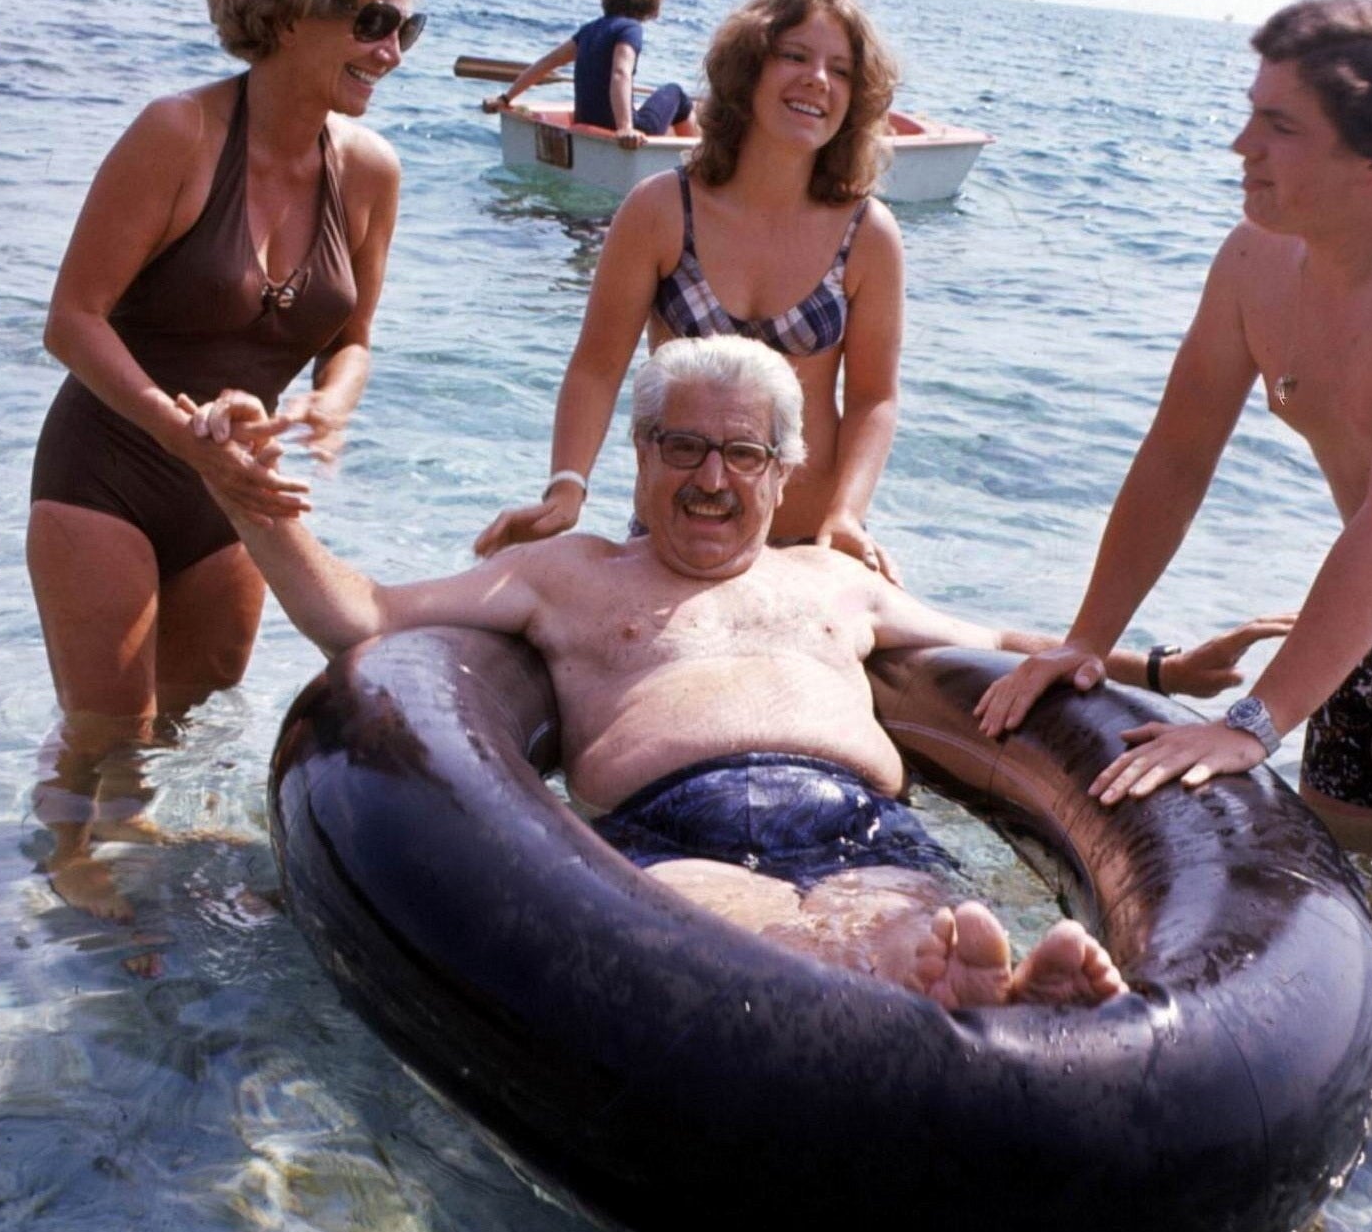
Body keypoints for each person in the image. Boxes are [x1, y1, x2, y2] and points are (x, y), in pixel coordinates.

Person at [190, 336, 1286, 1008]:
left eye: (743, 453)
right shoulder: (567, 574)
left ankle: (982, 994)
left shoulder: (830, 579)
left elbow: (998, 642)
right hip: (675, 831)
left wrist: (1157, 664)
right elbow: (365, 618)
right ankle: (951, 995)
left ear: (784, 469)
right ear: (640, 454)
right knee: (733, 940)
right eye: (682, 446)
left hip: (862, 824)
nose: (711, 478)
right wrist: (248, 504)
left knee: (911, 919)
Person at [977, 0, 1372, 892]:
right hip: (1370, 614)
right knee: (1344, 882)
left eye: (1278, 126)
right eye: (1250, 113)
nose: (1243, 145)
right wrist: (1086, 638)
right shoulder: (1253, 261)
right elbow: (1176, 454)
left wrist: (1253, 722)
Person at [24, 0, 422, 918]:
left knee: (183, 712)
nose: (390, 50)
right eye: (373, 22)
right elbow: (72, 319)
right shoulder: (178, 133)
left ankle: (119, 826)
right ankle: (62, 861)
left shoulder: (371, 172)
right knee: (108, 714)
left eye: (406, 27)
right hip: (107, 462)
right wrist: (176, 432)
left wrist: (332, 404)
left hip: (234, 486)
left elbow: (353, 340)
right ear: (290, 13)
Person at [475, 0, 907, 578]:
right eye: (795, 56)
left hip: (812, 548)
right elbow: (597, 366)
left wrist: (848, 515)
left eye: (840, 69)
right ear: (748, 66)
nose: (818, 79)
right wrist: (566, 487)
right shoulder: (661, 210)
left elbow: (873, 398)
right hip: (669, 545)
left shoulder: (868, 233)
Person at [481, 0, 695, 147]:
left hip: (585, 124)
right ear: (648, 3)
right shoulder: (631, 29)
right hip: (621, 130)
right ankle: (696, 163)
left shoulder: (588, 31)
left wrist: (505, 98)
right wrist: (626, 128)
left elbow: (547, 63)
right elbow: (620, 73)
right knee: (678, 94)